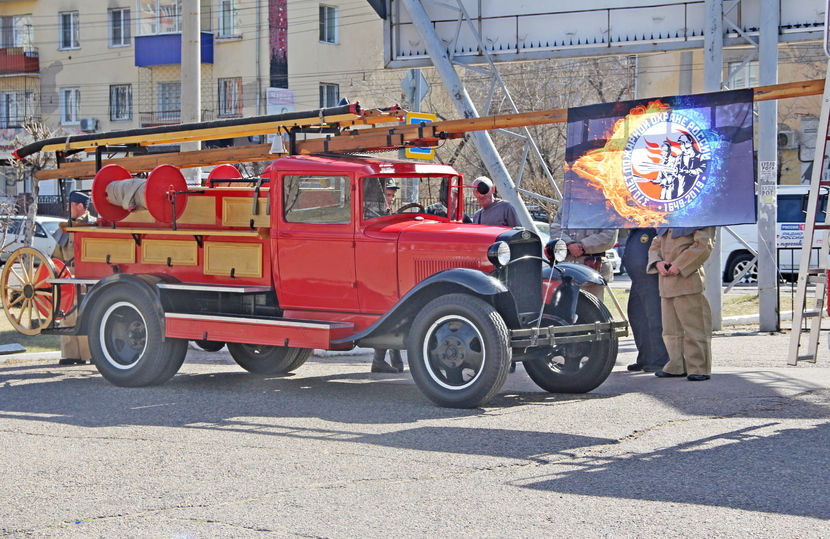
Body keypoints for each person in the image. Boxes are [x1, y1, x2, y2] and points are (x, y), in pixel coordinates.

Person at [647, 226, 716, 382]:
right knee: (670, 330)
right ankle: (676, 366)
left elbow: (704, 245)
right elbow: (656, 242)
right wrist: (657, 262)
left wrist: (680, 264)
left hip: (687, 279)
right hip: (666, 282)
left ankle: (699, 368)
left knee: (695, 328)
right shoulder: (670, 217)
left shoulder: (701, 217)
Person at [52, 191, 97, 366]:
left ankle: (90, 353)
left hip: (89, 278)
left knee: (89, 314)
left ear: (80, 206)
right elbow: (56, 256)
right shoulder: (65, 226)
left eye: (71, 205)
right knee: (67, 316)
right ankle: (70, 354)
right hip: (68, 279)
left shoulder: (96, 225)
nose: (68, 209)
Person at [623, 228, 669, 372]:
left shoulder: (652, 226)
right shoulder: (636, 228)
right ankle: (645, 358)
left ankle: (660, 360)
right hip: (637, 280)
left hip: (650, 279)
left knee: (654, 319)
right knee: (638, 319)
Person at [549, 210, 618, 302]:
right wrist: (569, 244)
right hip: (565, 267)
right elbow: (555, 229)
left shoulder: (606, 209)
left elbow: (608, 236)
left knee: (591, 308)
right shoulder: (567, 207)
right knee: (563, 306)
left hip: (591, 268)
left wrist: (583, 246)